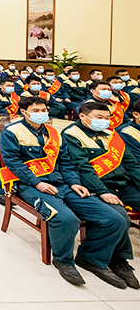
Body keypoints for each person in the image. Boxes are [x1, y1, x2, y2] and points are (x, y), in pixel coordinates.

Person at [0, 96, 130, 288]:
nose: (41, 114)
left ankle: (92, 258)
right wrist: (37, 183)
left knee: (114, 219)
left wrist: (74, 183)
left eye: (44, 110)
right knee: (67, 219)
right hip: (29, 185)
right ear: (24, 113)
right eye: (35, 111)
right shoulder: (12, 131)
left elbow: (66, 163)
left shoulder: (54, 134)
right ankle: (64, 261)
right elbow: (14, 162)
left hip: (62, 183)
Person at [62, 101, 139, 288]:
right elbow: (83, 168)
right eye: (99, 117)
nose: (104, 121)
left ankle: (114, 257)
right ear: (83, 116)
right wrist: (103, 191)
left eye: (107, 118)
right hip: (97, 186)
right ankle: (99, 258)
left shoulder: (112, 134)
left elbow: (131, 164)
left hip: (123, 184)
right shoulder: (72, 134)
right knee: (119, 217)